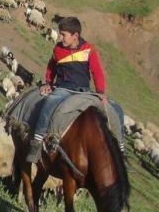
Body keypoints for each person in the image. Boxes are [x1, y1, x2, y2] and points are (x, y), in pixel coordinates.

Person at [27, 16, 125, 163]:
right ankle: (37, 143)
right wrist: (48, 82)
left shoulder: (89, 50)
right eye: (60, 34)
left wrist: (100, 93)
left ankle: (120, 151)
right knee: (49, 103)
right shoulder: (58, 49)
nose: (60, 37)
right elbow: (51, 67)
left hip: (85, 91)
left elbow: (97, 72)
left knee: (117, 109)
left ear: (75, 36)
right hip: (64, 89)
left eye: (63, 35)